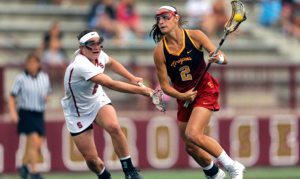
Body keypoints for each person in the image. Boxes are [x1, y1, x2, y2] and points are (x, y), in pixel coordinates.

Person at [150, 6, 245, 179]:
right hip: (184, 96)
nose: (161, 21)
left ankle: (232, 166)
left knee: (193, 134)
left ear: (176, 18)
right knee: (190, 145)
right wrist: (181, 96)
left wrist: (219, 58)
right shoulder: (159, 51)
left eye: (165, 17)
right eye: (158, 18)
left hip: (204, 88)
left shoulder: (195, 36)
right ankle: (215, 174)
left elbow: (224, 59)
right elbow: (164, 86)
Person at [61, 29, 152, 179]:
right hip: (77, 111)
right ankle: (103, 175)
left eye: (98, 43)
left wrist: (131, 77)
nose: (97, 47)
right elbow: (111, 84)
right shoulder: (81, 65)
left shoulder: (97, 54)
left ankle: (130, 172)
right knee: (92, 161)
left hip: (96, 99)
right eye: (92, 44)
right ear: (82, 47)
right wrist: (142, 91)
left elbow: (112, 62)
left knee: (114, 127)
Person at [8, 53, 52, 179]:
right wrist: (13, 112)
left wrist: (47, 97)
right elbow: (12, 96)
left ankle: (24, 165)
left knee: (38, 143)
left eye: (34, 62)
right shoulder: (21, 78)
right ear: (26, 64)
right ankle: (34, 172)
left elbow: (48, 92)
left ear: (38, 64)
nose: (32, 65)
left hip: (39, 113)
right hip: (26, 112)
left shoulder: (44, 77)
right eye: (29, 63)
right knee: (33, 139)